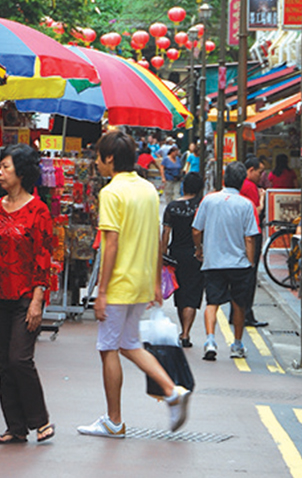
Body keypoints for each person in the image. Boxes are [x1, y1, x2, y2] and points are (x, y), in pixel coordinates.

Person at [77, 130, 191, 438]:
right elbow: (154, 237)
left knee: (108, 348)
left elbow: (111, 244)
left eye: (99, 156)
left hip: (119, 283)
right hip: (140, 282)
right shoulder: (148, 189)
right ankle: (171, 390)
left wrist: (101, 292)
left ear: (110, 158)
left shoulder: (111, 192)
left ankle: (114, 420)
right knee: (129, 344)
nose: (96, 162)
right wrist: (154, 281)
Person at [0, 144, 55, 445]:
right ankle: (15, 427)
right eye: (0, 167)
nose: (0, 172)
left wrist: (37, 300)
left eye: (5, 167)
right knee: (3, 363)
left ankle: (41, 421)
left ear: (22, 172)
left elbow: (43, 258)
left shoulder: (39, 210)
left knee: (19, 359)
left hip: (25, 296)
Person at [192, 162, 259, 361]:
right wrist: (250, 262)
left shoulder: (209, 200)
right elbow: (250, 238)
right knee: (238, 304)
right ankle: (237, 345)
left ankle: (210, 341)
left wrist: (199, 248)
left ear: (224, 179)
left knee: (212, 302)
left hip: (213, 261)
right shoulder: (246, 204)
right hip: (239, 264)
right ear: (242, 182)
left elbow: (196, 230)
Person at [161, 172, 205, 348]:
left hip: (176, 254)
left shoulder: (172, 207)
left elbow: (165, 233)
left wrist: (163, 256)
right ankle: (186, 332)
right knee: (192, 294)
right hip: (196, 254)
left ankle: (183, 331)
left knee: (181, 294)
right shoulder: (201, 205)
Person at [239, 156, 268, 328]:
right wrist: (262, 198)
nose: (261, 176)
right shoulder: (250, 186)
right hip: (251, 234)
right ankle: (246, 314)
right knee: (249, 275)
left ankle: (238, 313)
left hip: (240, 234)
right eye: (260, 172)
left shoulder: (242, 184)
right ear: (251, 170)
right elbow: (256, 211)